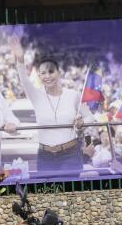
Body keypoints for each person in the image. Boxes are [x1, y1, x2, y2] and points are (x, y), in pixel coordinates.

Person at [8, 37, 93, 177]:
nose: (47, 76)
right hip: (44, 156)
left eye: (51, 71)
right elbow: (23, 78)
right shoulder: (36, 95)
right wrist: (20, 58)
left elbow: (90, 117)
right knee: (47, 194)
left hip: (70, 155)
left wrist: (82, 122)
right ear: (39, 76)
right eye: (43, 73)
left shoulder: (73, 95)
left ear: (59, 73)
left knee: (70, 193)